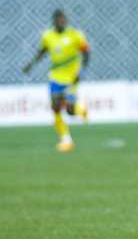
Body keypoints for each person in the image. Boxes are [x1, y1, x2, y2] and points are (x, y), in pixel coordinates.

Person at [22, 10, 89, 152]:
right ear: (54, 21)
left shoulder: (75, 35)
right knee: (56, 107)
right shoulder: (48, 36)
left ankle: (81, 109)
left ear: (66, 21)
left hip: (71, 78)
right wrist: (31, 64)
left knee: (70, 111)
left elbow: (86, 54)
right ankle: (66, 140)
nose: (60, 22)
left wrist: (81, 71)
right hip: (56, 77)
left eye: (62, 19)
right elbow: (42, 52)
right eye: (57, 20)